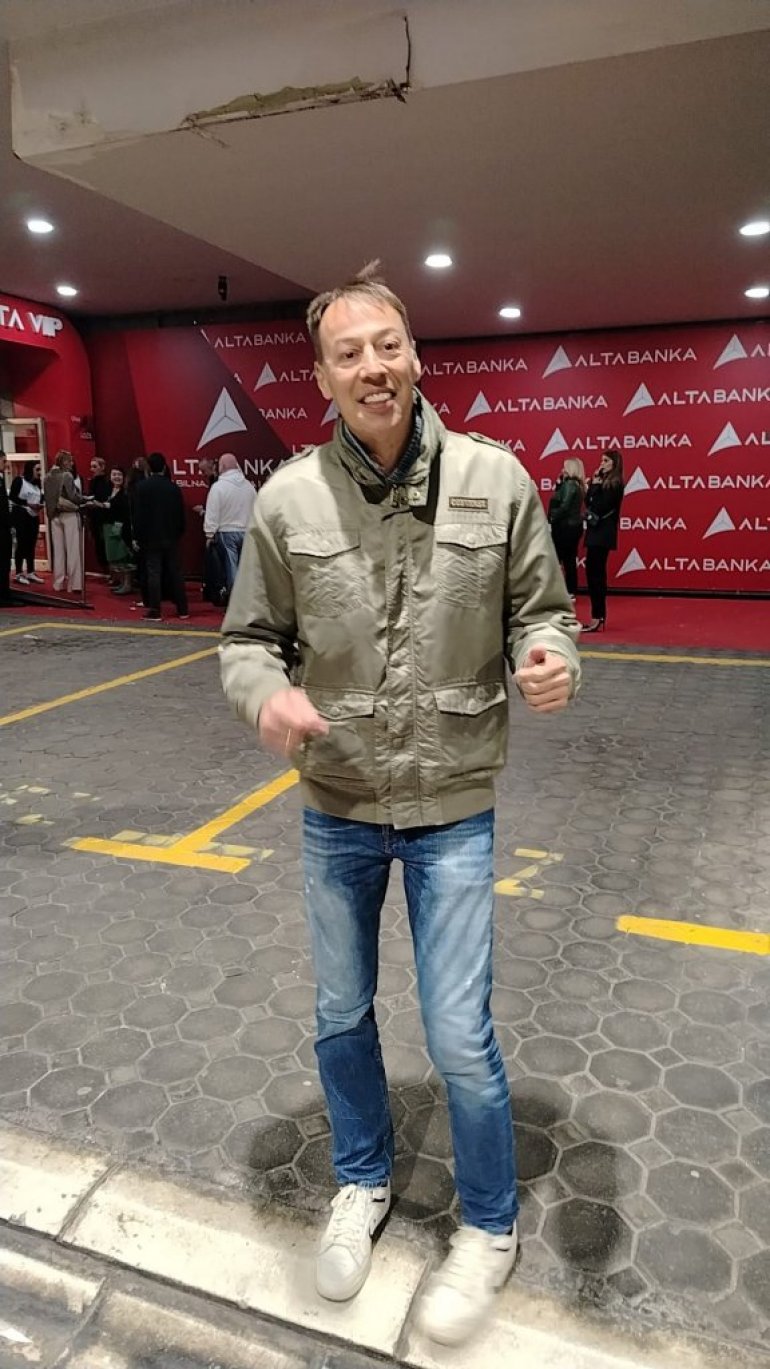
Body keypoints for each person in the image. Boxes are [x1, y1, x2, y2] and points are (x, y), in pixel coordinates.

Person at [220, 263, 581, 1347]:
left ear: (415, 355)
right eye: (348, 353)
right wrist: (264, 694)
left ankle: (487, 1224)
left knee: (460, 1035)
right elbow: (247, 640)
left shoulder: (494, 478)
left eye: (388, 345)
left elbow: (544, 611)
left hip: (451, 806)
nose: (372, 366)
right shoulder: (287, 501)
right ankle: (362, 1180)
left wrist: (549, 656)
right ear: (322, 376)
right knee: (340, 1014)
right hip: (336, 803)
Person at [131, 451, 188, 620]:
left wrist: (137, 537)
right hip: (171, 536)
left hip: (150, 538)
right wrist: (178, 532)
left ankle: (155, 610)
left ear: (149, 468)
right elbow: (180, 514)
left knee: (153, 573)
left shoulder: (142, 488)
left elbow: (138, 515)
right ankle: (183, 609)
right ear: (164, 467)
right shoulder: (173, 488)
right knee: (175, 572)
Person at [582, 448, 624, 632]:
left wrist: (596, 486)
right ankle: (596, 616)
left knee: (597, 575)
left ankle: (598, 616)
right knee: (592, 574)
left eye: (606, 461)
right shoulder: (602, 482)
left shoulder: (615, 484)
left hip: (603, 534)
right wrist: (593, 485)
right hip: (595, 532)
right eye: (601, 460)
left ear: (614, 464)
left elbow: (599, 506)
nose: (602, 464)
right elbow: (588, 502)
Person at [203, 452, 254, 600]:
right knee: (246, 568)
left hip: (226, 531)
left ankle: (235, 599)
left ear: (223, 466)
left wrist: (209, 533)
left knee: (232, 567)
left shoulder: (218, 487)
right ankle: (247, 598)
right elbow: (256, 508)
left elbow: (212, 512)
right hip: (247, 530)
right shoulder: (249, 486)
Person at [43, 450, 91, 594]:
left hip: (54, 516)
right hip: (69, 514)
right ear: (64, 462)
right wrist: (86, 499)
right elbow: (73, 496)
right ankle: (74, 584)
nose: (72, 463)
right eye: (70, 461)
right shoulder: (67, 475)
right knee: (73, 550)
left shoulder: (47, 476)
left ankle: (58, 583)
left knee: (58, 552)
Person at [547, 457, 585, 599]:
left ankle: (561, 591)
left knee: (560, 559)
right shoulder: (577, 485)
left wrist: (552, 517)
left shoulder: (569, 485)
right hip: (572, 527)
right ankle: (570, 591)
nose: (562, 470)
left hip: (564, 527)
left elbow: (564, 506)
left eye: (565, 467)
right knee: (569, 560)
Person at [9, 460, 44, 584]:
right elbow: (12, 497)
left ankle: (30, 571)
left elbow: (41, 498)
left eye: (40, 470)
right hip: (21, 515)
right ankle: (19, 573)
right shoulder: (19, 480)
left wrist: (40, 505)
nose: (39, 472)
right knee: (22, 544)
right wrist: (28, 503)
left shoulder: (37, 484)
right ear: (30, 470)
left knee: (31, 544)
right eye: (37, 469)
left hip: (33, 516)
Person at [102, 467, 135, 594]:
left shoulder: (126, 492)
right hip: (108, 525)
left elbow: (125, 512)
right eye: (114, 474)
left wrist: (118, 528)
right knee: (114, 556)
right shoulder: (108, 490)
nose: (116, 477)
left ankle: (127, 584)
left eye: (119, 474)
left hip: (120, 526)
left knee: (123, 556)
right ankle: (121, 582)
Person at [86, 456, 112, 575]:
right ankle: (106, 570)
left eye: (95, 466)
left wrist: (98, 504)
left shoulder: (107, 482)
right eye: (91, 466)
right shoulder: (92, 482)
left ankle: (112, 572)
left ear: (102, 467)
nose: (92, 469)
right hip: (94, 518)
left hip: (105, 518)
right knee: (99, 546)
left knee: (106, 546)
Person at [0, 451, 12, 604]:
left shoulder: (2, 478)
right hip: (1, 529)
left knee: (4, 562)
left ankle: (5, 594)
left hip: (4, 527)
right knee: (2, 563)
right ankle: (3, 597)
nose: (6, 464)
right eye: (3, 461)